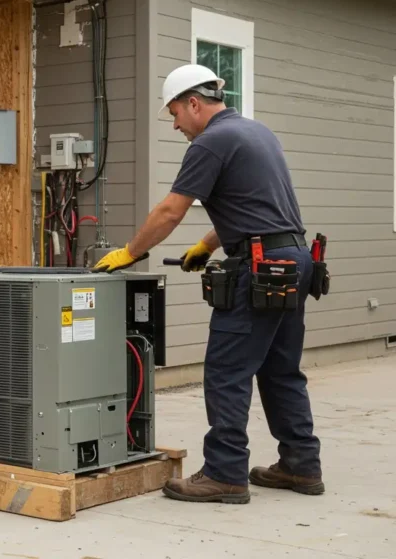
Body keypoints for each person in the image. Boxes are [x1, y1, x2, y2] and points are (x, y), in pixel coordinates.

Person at [92, 64, 324, 504]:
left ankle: (225, 473)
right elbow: (255, 209)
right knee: (281, 370)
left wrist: (130, 252)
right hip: (293, 261)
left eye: (176, 113)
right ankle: (301, 464)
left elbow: (168, 212)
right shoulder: (257, 133)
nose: (176, 124)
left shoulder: (211, 142)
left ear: (194, 104)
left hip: (259, 268)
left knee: (226, 371)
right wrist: (205, 244)